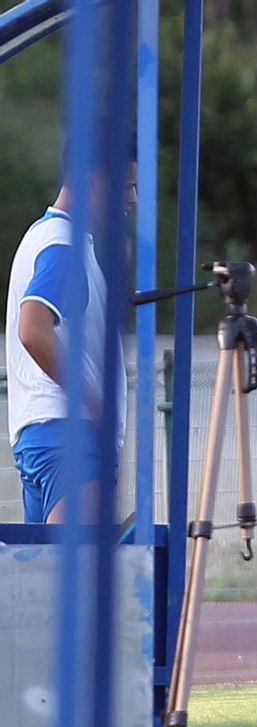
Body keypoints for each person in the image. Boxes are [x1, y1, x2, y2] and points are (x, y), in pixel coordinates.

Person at [6, 160, 135, 523]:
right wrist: (94, 403)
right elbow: (33, 329)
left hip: (48, 437)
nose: (134, 198)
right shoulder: (64, 246)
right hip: (70, 437)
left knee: (44, 574)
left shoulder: (49, 237)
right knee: (74, 573)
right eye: (127, 187)